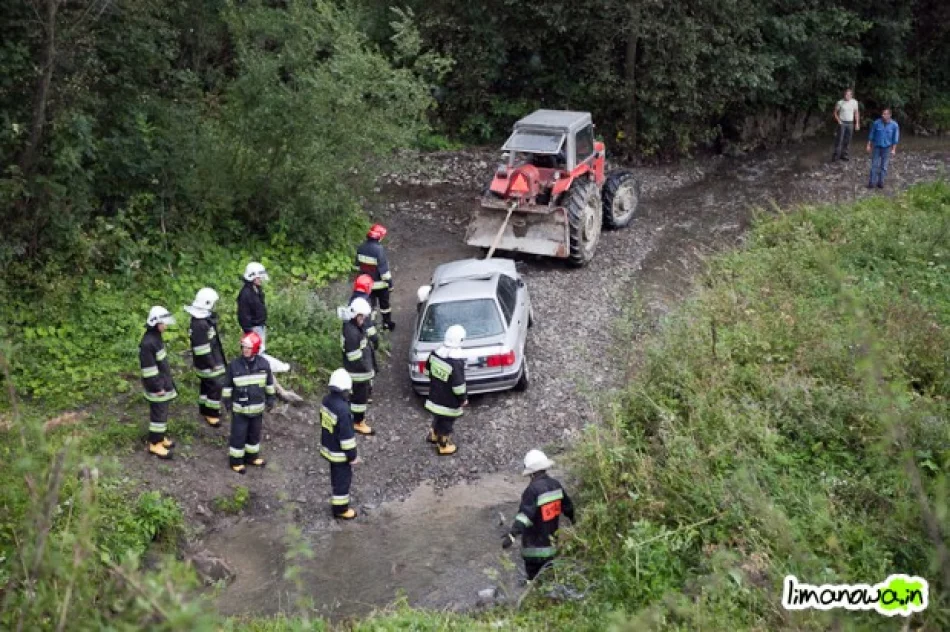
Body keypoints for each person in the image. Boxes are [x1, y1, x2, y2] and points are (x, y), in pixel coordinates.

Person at [502, 450, 576, 581]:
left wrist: (512, 535)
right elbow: (568, 507)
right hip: (552, 546)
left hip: (533, 549)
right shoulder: (556, 485)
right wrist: (574, 522)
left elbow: (524, 517)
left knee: (533, 579)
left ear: (531, 472)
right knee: (549, 577)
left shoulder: (532, 490)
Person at [221, 331, 275, 474]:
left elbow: (269, 384)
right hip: (240, 410)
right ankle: (236, 461)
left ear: (256, 349)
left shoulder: (264, 364)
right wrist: (226, 400)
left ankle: (252, 457)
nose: (245, 350)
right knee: (238, 435)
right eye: (243, 347)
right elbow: (227, 385)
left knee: (254, 434)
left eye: (248, 348)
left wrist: (271, 398)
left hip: (257, 409)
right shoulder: (234, 365)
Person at [320, 368, 361, 519]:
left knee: (335, 477)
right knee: (343, 480)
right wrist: (352, 456)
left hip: (328, 447)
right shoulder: (343, 410)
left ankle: (338, 503)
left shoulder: (326, 401)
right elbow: (347, 438)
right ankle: (341, 509)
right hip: (340, 453)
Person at [139, 306, 178, 459]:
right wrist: (158, 387)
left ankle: (160, 438)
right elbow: (149, 370)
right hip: (157, 386)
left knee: (162, 413)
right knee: (158, 416)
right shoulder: (148, 343)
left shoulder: (155, 337)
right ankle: (154, 444)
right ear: (156, 323)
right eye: (164, 323)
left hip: (162, 382)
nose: (166, 326)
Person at [423, 325, 468, 456]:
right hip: (449, 401)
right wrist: (463, 399)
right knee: (447, 421)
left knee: (438, 417)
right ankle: (443, 444)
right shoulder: (456, 362)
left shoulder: (435, 354)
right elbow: (458, 385)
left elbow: (427, 372)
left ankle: (433, 434)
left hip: (434, 396)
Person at [185, 288, 227, 427]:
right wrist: (212, 364)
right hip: (208, 363)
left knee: (206, 385)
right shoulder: (200, 324)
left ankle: (204, 408)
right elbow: (201, 349)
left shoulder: (202, 321)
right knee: (216, 385)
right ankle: (211, 412)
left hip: (207, 361)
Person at [342, 297, 375, 436]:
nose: (364, 320)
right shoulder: (351, 332)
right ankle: (358, 422)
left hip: (360, 372)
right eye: (363, 317)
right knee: (359, 399)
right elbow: (354, 357)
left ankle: (356, 419)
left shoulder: (353, 327)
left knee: (358, 398)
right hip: (358, 373)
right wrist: (367, 368)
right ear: (356, 315)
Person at [354, 224, 394, 331]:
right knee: (384, 306)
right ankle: (387, 324)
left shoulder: (361, 247)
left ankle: (372, 327)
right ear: (379, 236)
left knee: (371, 307)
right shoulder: (379, 250)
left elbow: (357, 267)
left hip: (367, 286)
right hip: (381, 285)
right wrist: (390, 283)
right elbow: (384, 271)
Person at [237, 261, 268, 349]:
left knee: (260, 349)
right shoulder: (245, 294)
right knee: (254, 351)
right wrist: (249, 332)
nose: (261, 280)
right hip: (253, 329)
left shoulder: (257, 289)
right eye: (259, 278)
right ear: (252, 277)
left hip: (260, 326)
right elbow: (243, 315)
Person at [866, 108, 899, 189]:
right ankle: (871, 183)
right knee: (874, 165)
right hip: (877, 146)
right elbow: (871, 134)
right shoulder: (876, 123)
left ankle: (881, 182)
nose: (883, 115)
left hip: (887, 148)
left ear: (889, 115)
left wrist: (894, 149)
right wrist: (868, 145)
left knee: (884, 166)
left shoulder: (894, 125)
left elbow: (895, 138)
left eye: (885, 114)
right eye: (883, 114)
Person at [831, 88, 860, 162]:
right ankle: (835, 156)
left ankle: (844, 155)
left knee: (848, 140)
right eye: (846, 94)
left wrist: (857, 123)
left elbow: (856, 113)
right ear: (844, 95)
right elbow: (835, 113)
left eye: (849, 94)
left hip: (850, 123)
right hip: (842, 123)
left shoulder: (854, 102)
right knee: (839, 139)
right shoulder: (840, 102)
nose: (847, 96)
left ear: (851, 95)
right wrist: (838, 121)